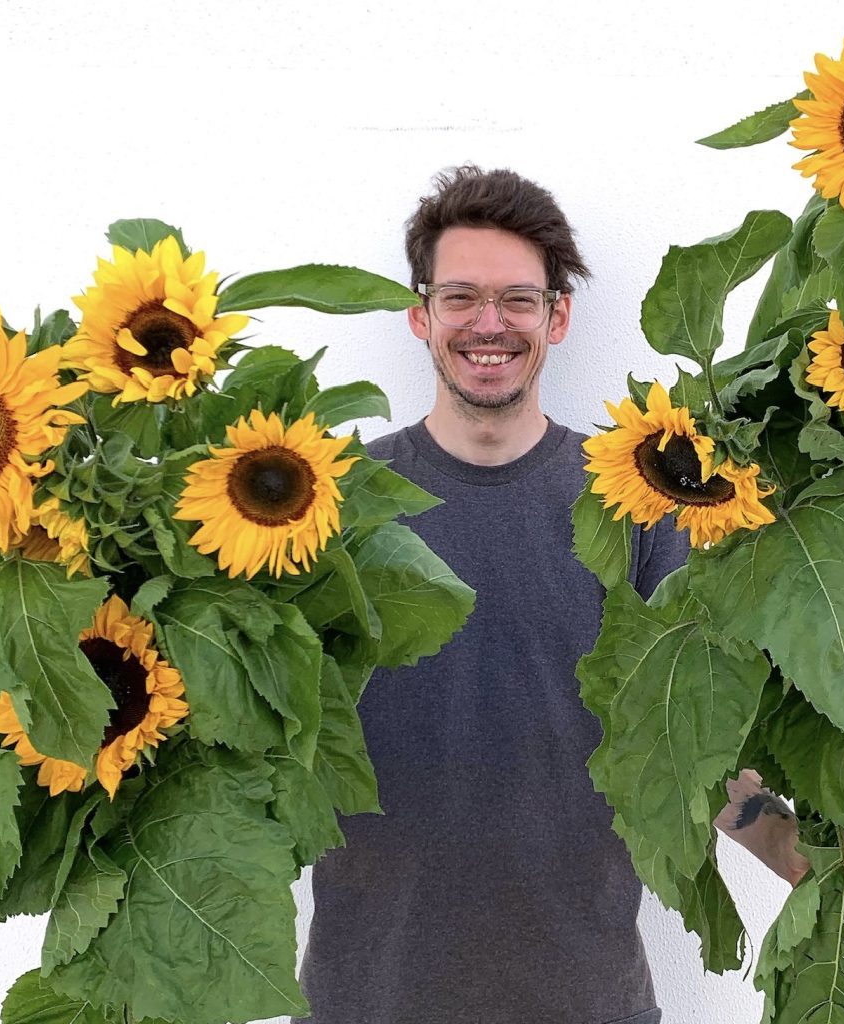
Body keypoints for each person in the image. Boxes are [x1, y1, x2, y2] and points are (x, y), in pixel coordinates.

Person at [300, 166, 804, 1024]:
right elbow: (257, 732)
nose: (488, 324)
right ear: (420, 315)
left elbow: (690, 744)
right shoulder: (330, 503)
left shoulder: (638, 501)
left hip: (584, 994)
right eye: (460, 297)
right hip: (369, 995)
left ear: (557, 316)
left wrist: (815, 867)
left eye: (518, 300)